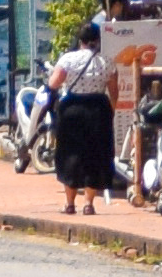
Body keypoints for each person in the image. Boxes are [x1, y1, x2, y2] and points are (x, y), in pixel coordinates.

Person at [46, 23, 120, 217]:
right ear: (97, 40)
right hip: (98, 109)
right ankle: (88, 204)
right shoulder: (107, 62)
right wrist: (109, 111)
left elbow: (54, 83)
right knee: (94, 155)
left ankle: (69, 203)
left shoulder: (68, 59)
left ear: (80, 41)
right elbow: (114, 91)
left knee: (70, 154)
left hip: (72, 110)